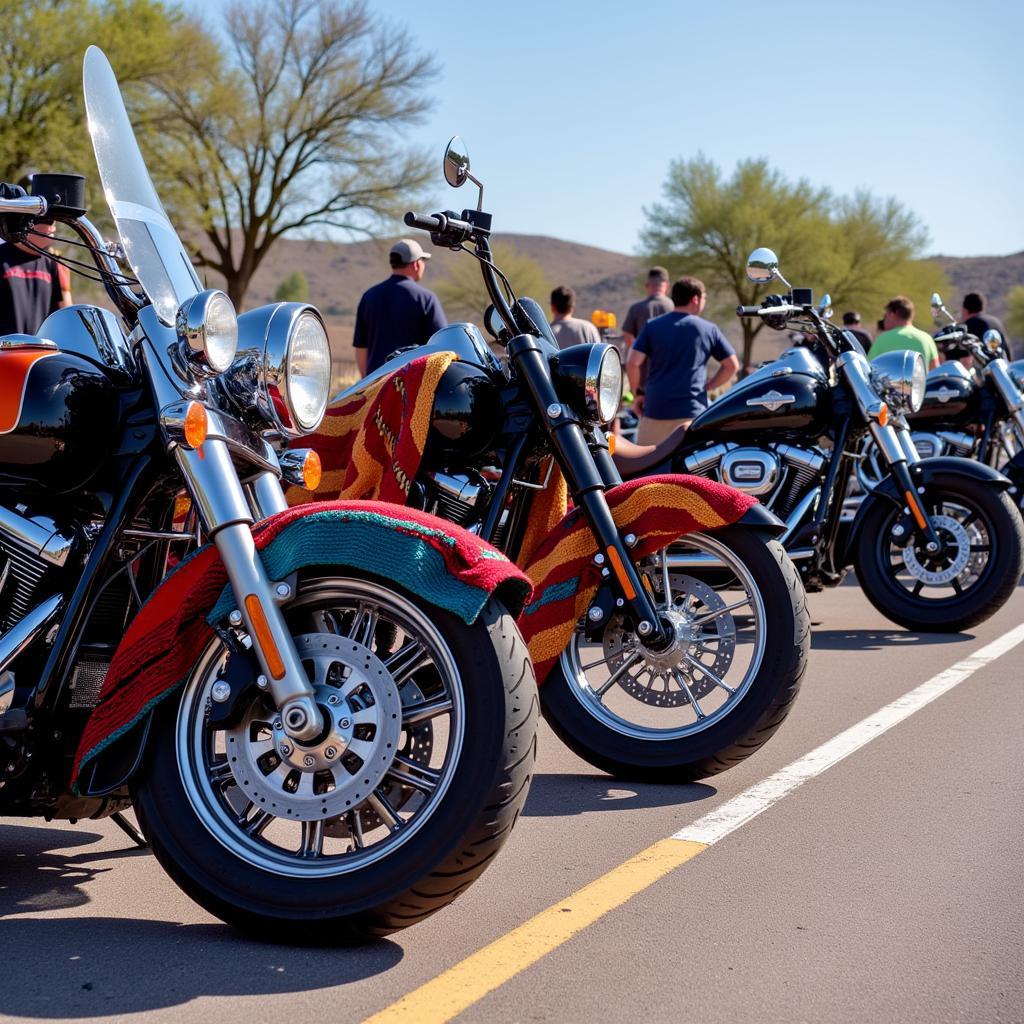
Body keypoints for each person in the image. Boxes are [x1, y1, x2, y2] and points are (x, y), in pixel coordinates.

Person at [626, 275, 739, 445]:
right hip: (692, 413)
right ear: (695, 299)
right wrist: (708, 387)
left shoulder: (652, 326)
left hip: (656, 409)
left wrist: (638, 394)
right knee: (691, 467)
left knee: (649, 467)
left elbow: (633, 363)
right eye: (704, 297)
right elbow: (731, 366)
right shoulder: (708, 329)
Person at [352, 238, 447, 377]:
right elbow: (442, 344)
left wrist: (367, 382)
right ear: (416, 264)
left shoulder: (369, 296)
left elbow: (361, 346)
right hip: (414, 385)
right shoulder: (426, 299)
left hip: (377, 384)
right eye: (422, 261)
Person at [0, 220, 73, 335]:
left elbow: (67, 316)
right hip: (5, 348)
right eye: (46, 219)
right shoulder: (2, 255)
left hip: (42, 349)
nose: (52, 224)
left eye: (53, 220)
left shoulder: (55, 263)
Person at [868, 296, 939, 369]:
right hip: (921, 380)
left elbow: (868, 368)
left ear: (892, 315)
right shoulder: (927, 339)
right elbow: (935, 371)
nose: (884, 320)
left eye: (885, 316)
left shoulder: (882, 339)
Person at [621, 266, 673, 352]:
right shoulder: (674, 307)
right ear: (667, 285)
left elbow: (627, 336)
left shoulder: (636, 308)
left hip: (641, 363)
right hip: (669, 361)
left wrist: (640, 353)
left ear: (647, 285)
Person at [960, 292, 1010, 357]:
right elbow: (1006, 347)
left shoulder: (969, 325)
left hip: (985, 365)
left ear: (965, 310)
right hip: (1002, 363)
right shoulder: (995, 321)